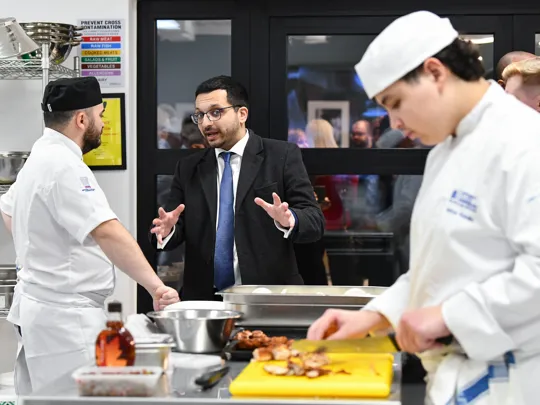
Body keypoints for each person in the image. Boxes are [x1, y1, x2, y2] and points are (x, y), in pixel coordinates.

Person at [307, 11, 540, 404]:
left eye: (396, 103)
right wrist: (376, 315)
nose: (394, 122)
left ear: (434, 72)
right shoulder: (445, 151)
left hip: (516, 382)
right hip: (458, 377)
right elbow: (439, 267)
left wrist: (449, 316)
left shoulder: (523, 141)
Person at [0, 77, 179, 394]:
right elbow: (107, 232)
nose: (104, 122)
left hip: (40, 310)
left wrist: (40, 251)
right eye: (101, 114)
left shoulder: (39, 156)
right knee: (80, 399)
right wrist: (156, 286)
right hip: (66, 320)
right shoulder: (63, 166)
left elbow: (8, 209)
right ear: (82, 119)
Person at [149, 75, 325, 300]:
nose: (206, 123)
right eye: (200, 115)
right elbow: (172, 224)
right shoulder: (189, 168)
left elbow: (314, 221)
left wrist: (290, 219)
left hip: (267, 296)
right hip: (204, 300)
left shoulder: (281, 156)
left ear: (242, 114)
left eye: (215, 112)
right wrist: (166, 231)